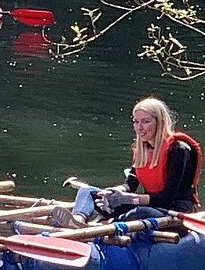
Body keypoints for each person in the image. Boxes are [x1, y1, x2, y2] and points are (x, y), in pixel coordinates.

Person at [51, 97, 201, 228]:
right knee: (87, 192)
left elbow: (167, 198)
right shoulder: (142, 149)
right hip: (150, 203)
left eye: (145, 122)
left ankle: (108, 224)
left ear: (159, 122)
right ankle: (77, 221)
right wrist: (114, 192)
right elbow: (130, 184)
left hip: (172, 210)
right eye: (136, 122)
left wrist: (128, 199)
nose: (139, 127)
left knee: (140, 212)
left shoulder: (179, 151)